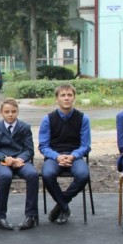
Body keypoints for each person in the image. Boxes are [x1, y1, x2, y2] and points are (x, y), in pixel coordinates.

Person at [38, 83, 91, 225]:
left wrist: (73, 156)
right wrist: (57, 156)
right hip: (54, 156)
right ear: (57, 99)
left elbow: (86, 145)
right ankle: (65, 208)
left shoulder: (83, 118)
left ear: (74, 98)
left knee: (83, 175)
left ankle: (60, 205)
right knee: (47, 174)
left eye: (69, 95)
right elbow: (43, 146)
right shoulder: (48, 119)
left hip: (75, 156)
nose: (66, 98)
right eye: (63, 95)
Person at [0, 99, 39, 231]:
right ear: (1, 113)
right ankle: (0, 217)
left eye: (13, 111)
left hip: (20, 161)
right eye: (7, 112)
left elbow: (29, 150)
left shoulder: (24, 127)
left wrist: (20, 159)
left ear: (17, 112)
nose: (10, 114)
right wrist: (5, 158)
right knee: (5, 176)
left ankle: (31, 216)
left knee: (33, 174)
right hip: (1, 162)